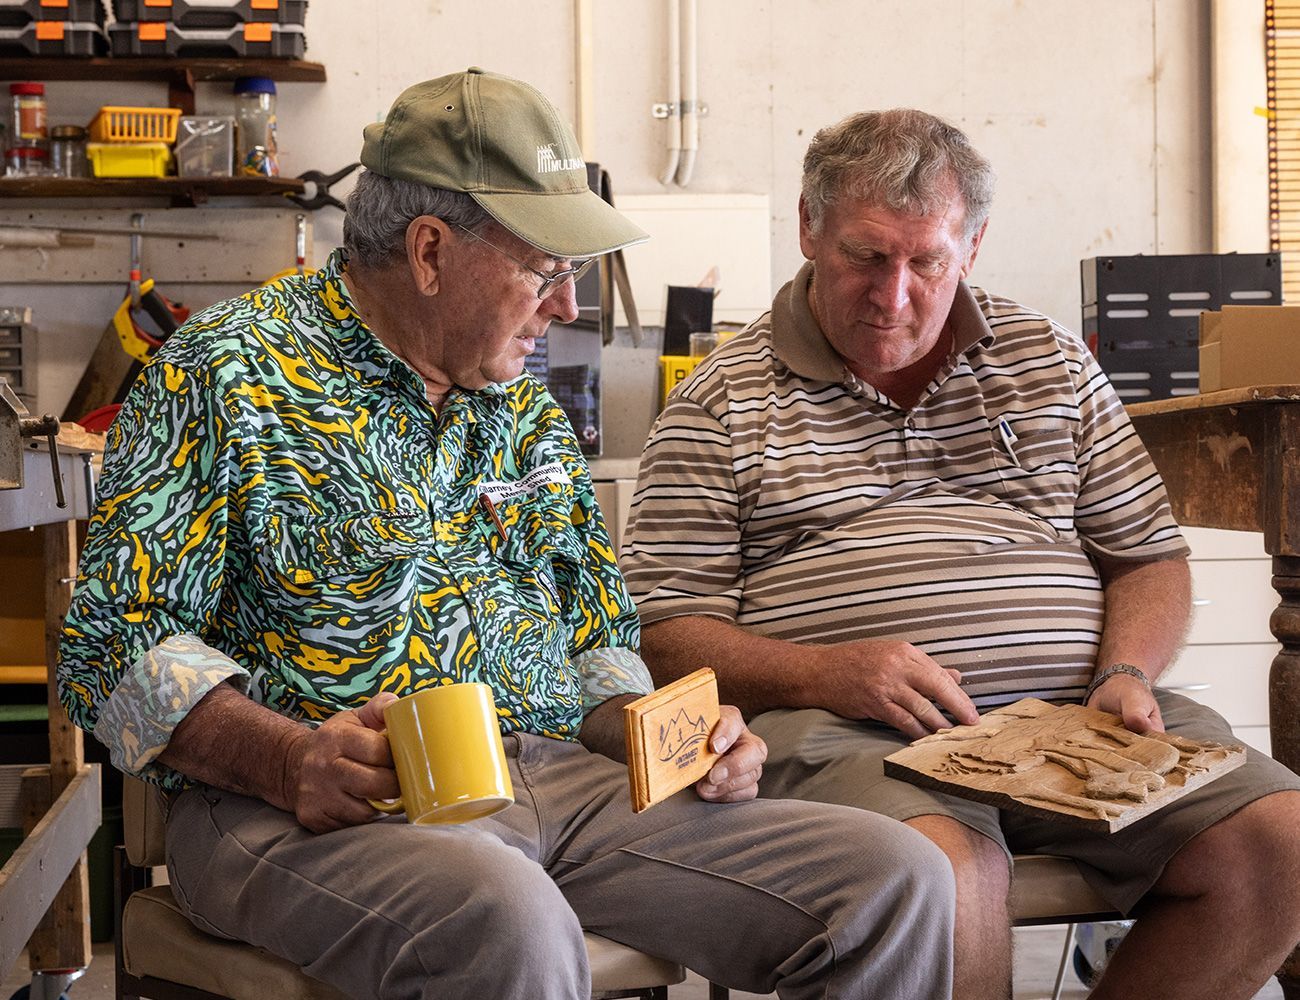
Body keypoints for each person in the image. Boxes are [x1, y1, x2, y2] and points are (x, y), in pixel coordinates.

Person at [56, 71, 958, 1000]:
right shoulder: (224, 372)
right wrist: (288, 761)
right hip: (305, 807)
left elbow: (596, 643)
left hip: (557, 781)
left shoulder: (524, 410)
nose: (566, 306)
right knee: (504, 918)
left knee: (892, 881)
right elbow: (112, 647)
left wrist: (678, 738)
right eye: (546, 271)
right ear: (430, 252)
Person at [621, 107, 1300, 1000]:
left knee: (1282, 844)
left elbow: (1146, 557)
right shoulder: (719, 400)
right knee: (943, 872)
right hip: (846, 734)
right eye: (866, 255)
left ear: (972, 248)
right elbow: (665, 634)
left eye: (926, 262)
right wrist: (830, 673)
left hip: (1078, 719)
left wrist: (1126, 670)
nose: (893, 294)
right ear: (809, 229)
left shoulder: (1049, 360)